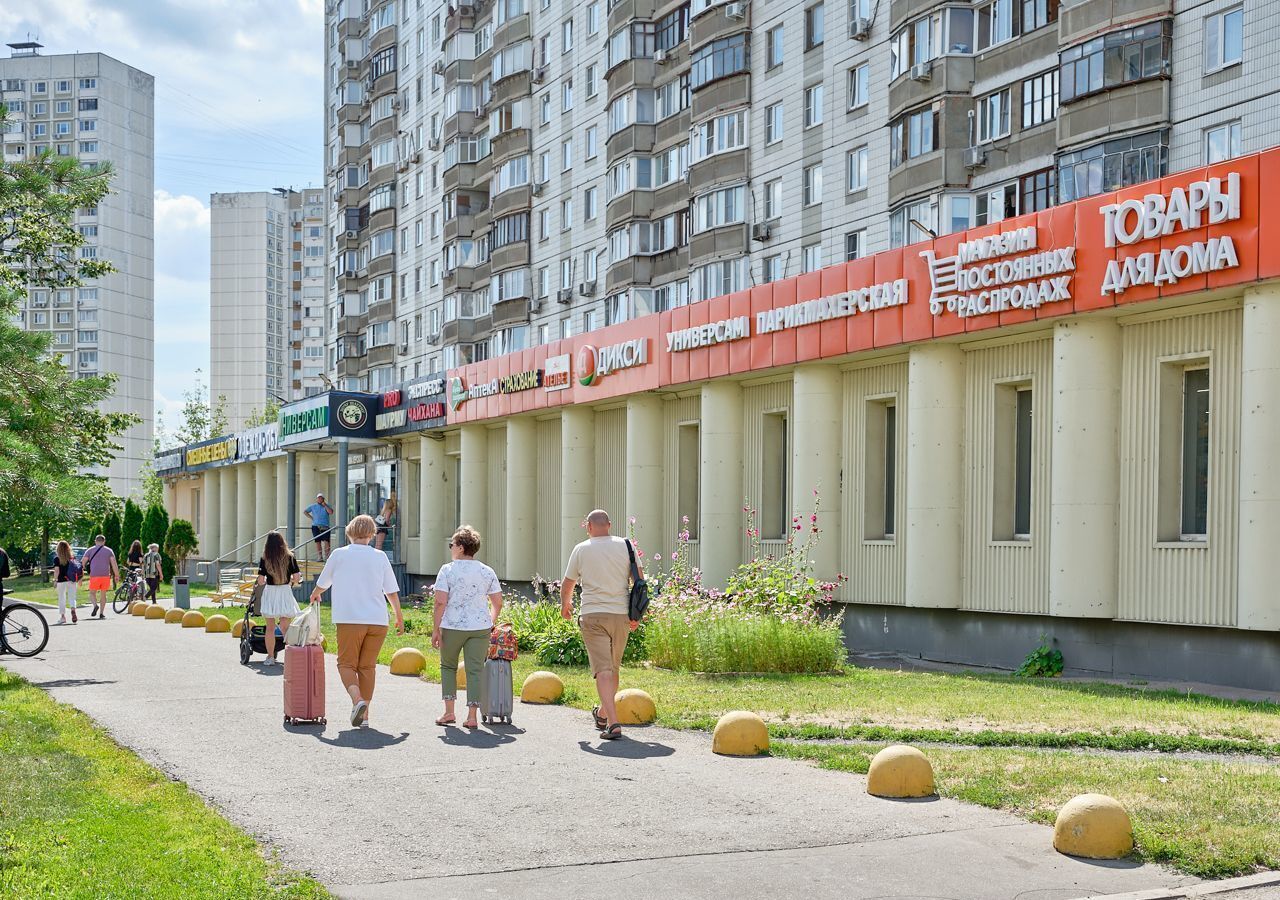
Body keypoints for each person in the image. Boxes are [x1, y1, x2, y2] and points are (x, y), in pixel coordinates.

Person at [309, 515, 404, 727]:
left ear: (349, 532)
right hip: (378, 621)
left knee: (346, 664)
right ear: (371, 535)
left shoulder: (339, 554)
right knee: (367, 667)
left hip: (350, 619)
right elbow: (391, 591)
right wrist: (399, 616)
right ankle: (365, 716)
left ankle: (357, 700)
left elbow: (324, 582)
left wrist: (315, 593)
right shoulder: (380, 557)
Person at [561, 509, 642, 741]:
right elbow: (639, 580)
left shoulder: (581, 549)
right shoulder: (626, 545)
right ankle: (603, 713)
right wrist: (637, 614)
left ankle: (613, 722)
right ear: (609, 524)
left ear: (588, 527)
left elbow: (568, 583)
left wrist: (565, 606)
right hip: (620, 616)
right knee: (613, 669)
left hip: (593, 615)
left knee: (603, 670)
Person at [431, 525, 503, 728]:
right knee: (475, 670)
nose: (451, 547)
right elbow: (497, 602)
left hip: (452, 626)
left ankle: (449, 713)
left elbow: (440, 602)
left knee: (448, 667)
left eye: (451, 544)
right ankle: (472, 717)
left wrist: (436, 629)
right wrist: (491, 621)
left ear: (461, 547)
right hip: (480, 627)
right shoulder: (487, 571)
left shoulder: (447, 570)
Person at [257, 532, 301, 666]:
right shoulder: (290, 557)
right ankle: (291, 657)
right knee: (285, 627)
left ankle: (270, 657)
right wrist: (292, 581)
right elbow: (296, 578)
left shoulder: (265, 558)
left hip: (271, 592)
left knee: (270, 628)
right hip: (284, 592)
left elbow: (260, 581)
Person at [81, 535, 119, 620]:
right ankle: (101, 613)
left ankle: (95, 605)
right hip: (105, 575)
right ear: (104, 541)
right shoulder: (109, 551)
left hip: (94, 575)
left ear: (95, 541)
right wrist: (116, 575)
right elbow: (114, 563)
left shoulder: (90, 550)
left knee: (92, 593)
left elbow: (83, 562)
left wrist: (82, 571)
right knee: (103, 594)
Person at [54, 540, 79, 625]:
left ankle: (63, 617)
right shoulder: (72, 557)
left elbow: (57, 571)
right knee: (72, 597)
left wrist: (55, 580)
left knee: (62, 598)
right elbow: (76, 569)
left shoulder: (57, 558)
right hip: (71, 580)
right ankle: (73, 610)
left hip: (61, 581)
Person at [304, 493, 335, 560]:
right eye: (318, 498)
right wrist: (312, 518)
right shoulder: (313, 506)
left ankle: (327, 557)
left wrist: (325, 505)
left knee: (326, 541)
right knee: (317, 541)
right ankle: (320, 556)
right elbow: (305, 511)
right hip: (315, 526)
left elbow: (331, 512)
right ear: (317, 499)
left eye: (321, 498)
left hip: (325, 526)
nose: (319, 499)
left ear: (323, 499)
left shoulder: (327, 505)